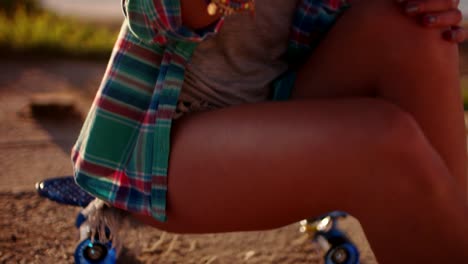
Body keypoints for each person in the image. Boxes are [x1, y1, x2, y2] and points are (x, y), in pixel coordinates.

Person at [71, 0, 468, 262]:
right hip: (167, 144)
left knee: (418, 30)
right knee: (384, 141)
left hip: (285, 105)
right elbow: (149, 14)